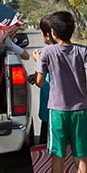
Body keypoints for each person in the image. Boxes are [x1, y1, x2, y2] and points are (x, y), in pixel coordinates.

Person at [35, 11, 87, 173]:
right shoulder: (82, 50)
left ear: (53, 33)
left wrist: (39, 62)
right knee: (81, 158)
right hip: (79, 112)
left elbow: (38, 82)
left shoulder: (47, 52)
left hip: (57, 113)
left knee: (57, 158)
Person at [29, 14, 55, 144]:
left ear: (49, 35)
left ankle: (47, 161)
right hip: (59, 106)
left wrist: (38, 61)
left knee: (47, 138)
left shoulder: (48, 52)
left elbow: (41, 81)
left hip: (52, 104)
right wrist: (35, 75)